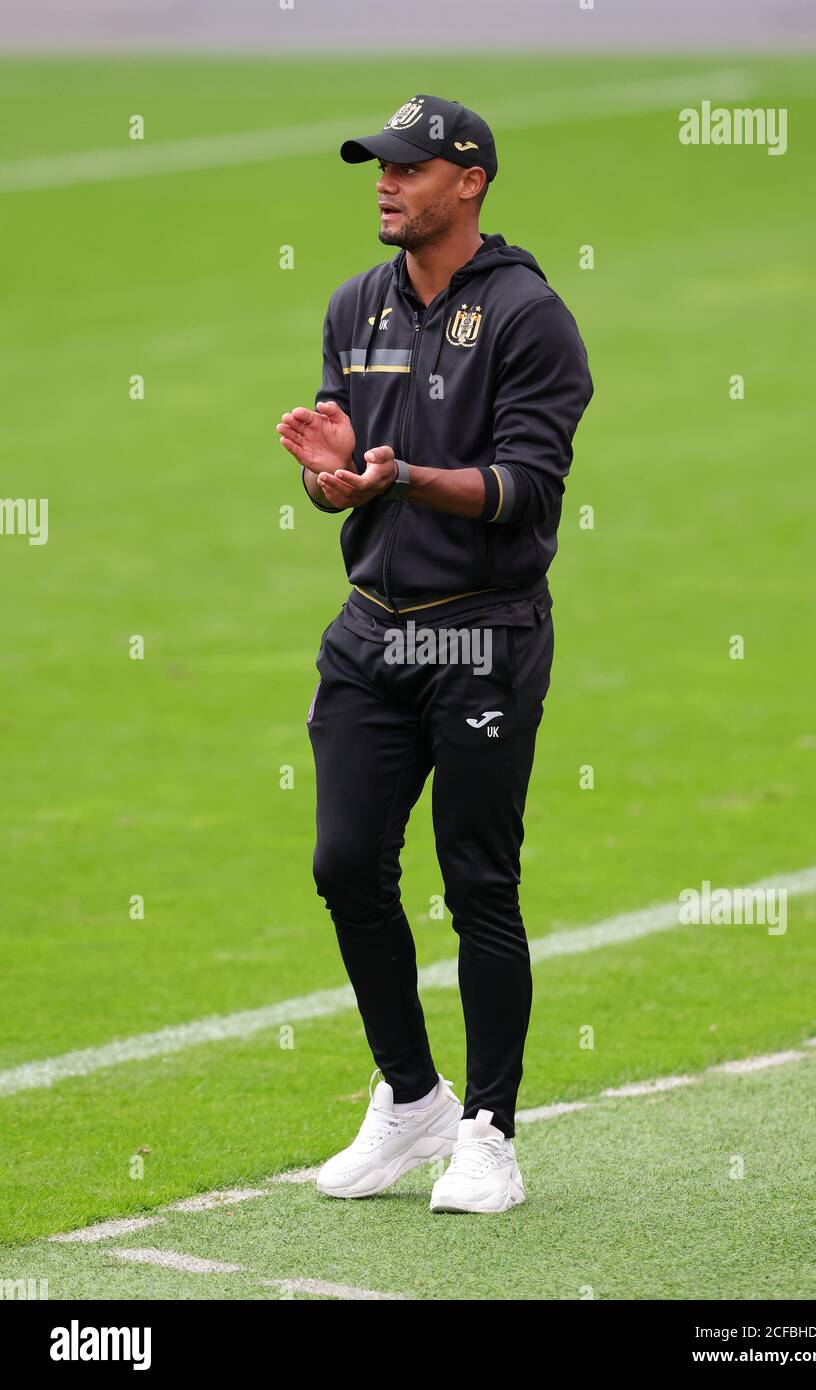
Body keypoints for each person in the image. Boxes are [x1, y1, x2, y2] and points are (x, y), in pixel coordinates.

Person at [276, 94, 594, 1213]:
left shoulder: (527, 316)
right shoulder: (354, 304)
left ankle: (491, 1133)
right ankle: (410, 1098)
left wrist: (400, 473)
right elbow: (346, 460)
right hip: (370, 631)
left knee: (477, 885)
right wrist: (331, 473)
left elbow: (522, 489)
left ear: (469, 182)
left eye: (409, 167)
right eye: (378, 164)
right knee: (344, 863)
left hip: (481, 634)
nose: (385, 181)